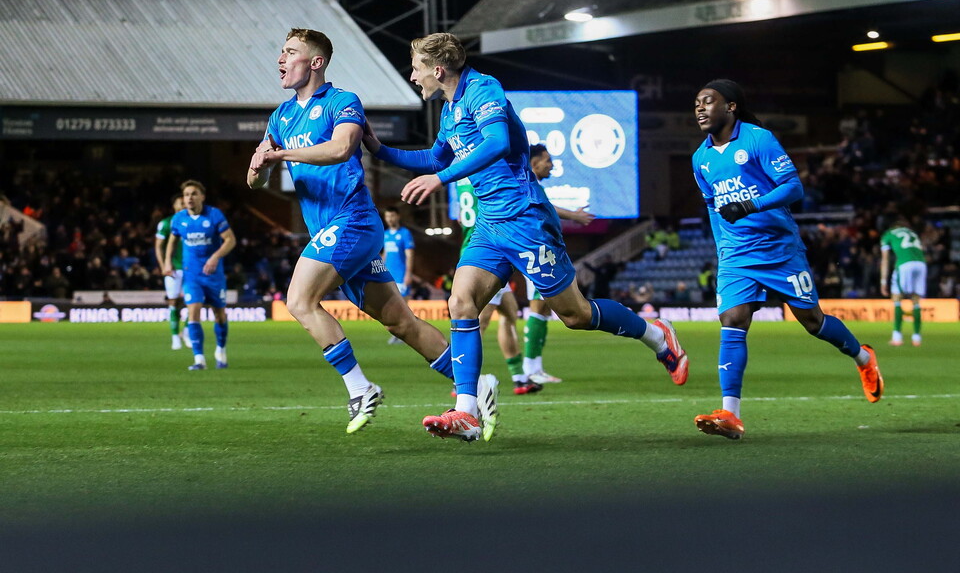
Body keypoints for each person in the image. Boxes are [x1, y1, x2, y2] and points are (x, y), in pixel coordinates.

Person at [363, 32, 688, 442]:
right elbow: (433, 157)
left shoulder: (484, 89)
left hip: (524, 219)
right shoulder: (450, 110)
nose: (413, 76)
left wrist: (440, 179)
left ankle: (657, 335)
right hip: (489, 224)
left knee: (575, 315)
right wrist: (376, 147)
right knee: (461, 302)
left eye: (416, 68)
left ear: (438, 69)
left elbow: (497, 143)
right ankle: (466, 411)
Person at [247, 27, 466, 435]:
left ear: (316, 62)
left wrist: (281, 153)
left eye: (290, 52)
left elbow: (342, 148)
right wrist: (260, 165)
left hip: (353, 221)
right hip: (331, 231)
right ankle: (472, 387)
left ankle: (360, 387)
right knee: (402, 323)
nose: (280, 59)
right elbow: (253, 181)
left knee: (298, 299)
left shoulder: (342, 102)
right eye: (280, 51)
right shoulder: (280, 115)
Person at [691, 79, 884, 440]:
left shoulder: (758, 139)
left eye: (708, 102)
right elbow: (713, 207)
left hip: (779, 248)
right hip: (735, 253)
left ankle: (863, 358)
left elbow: (793, 187)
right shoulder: (699, 158)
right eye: (697, 104)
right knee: (732, 320)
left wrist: (751, 204)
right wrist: (722, 249)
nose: (700, 109)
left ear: (731, 106)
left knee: (812, 321)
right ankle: (730, 415)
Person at [455, 176, 541, 395]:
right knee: (478, 322)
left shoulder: (460, 180)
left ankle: (520, 378)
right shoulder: (484, 173)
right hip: (486, 253)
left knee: (509, 313)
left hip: (477, 249)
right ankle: (460, 382)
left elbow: (459, 217)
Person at [524, 143, 596, 384]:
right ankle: (529, 369)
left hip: (538, 248)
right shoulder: (527, 180)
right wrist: (574, 215)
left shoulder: (530, 181)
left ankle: (534, 367)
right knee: (537, 308)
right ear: (534, 163)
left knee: (543, 309)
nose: (551, 164)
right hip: (533, 249)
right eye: (547, 160)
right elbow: (546, 208)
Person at [164, 180, 236, 371]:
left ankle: (220, 350)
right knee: (193, 312)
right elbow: (171, 241)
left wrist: (215, 257)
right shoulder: (179, 219)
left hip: (213, 274)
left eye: (194, 193)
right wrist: (166, 262)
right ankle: (199, 359)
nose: (189, 198)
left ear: (202, 197)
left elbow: (230, 240)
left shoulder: (214, 215)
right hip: (192, 274)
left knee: (219, 315)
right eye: (186, 194)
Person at [879, 214, 927, 347]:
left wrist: (883, 282)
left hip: (905, 264)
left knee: (897, 298)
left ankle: (897, 337)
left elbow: (885, 259)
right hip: (921, 264)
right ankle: (917, 338)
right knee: (916, 300)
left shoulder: (888, 234)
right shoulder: (912, 232)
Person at [155, 193, 188, 350]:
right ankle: (175, 336)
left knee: (193, 301)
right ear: (174, 206)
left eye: (184, 202)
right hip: (173, 268)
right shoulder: (166, 223)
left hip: (191, 268)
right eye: (180, 203)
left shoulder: (194, 221)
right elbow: (158, 246)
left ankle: (186, 332)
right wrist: (163, 266)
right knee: (174, 301)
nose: (183, 205)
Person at [381, 206, 415, 345]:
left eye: (392, 216)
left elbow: (409, 256)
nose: (390, 219)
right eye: (388, 216)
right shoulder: (386, 234)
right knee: (391, 307)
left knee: (403, 307)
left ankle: (407, 333)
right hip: (389, 276)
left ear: (398, 216)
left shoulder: (405, 234)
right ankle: (398, 333)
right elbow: (386, 254)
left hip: (401, 276)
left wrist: (408, 274)